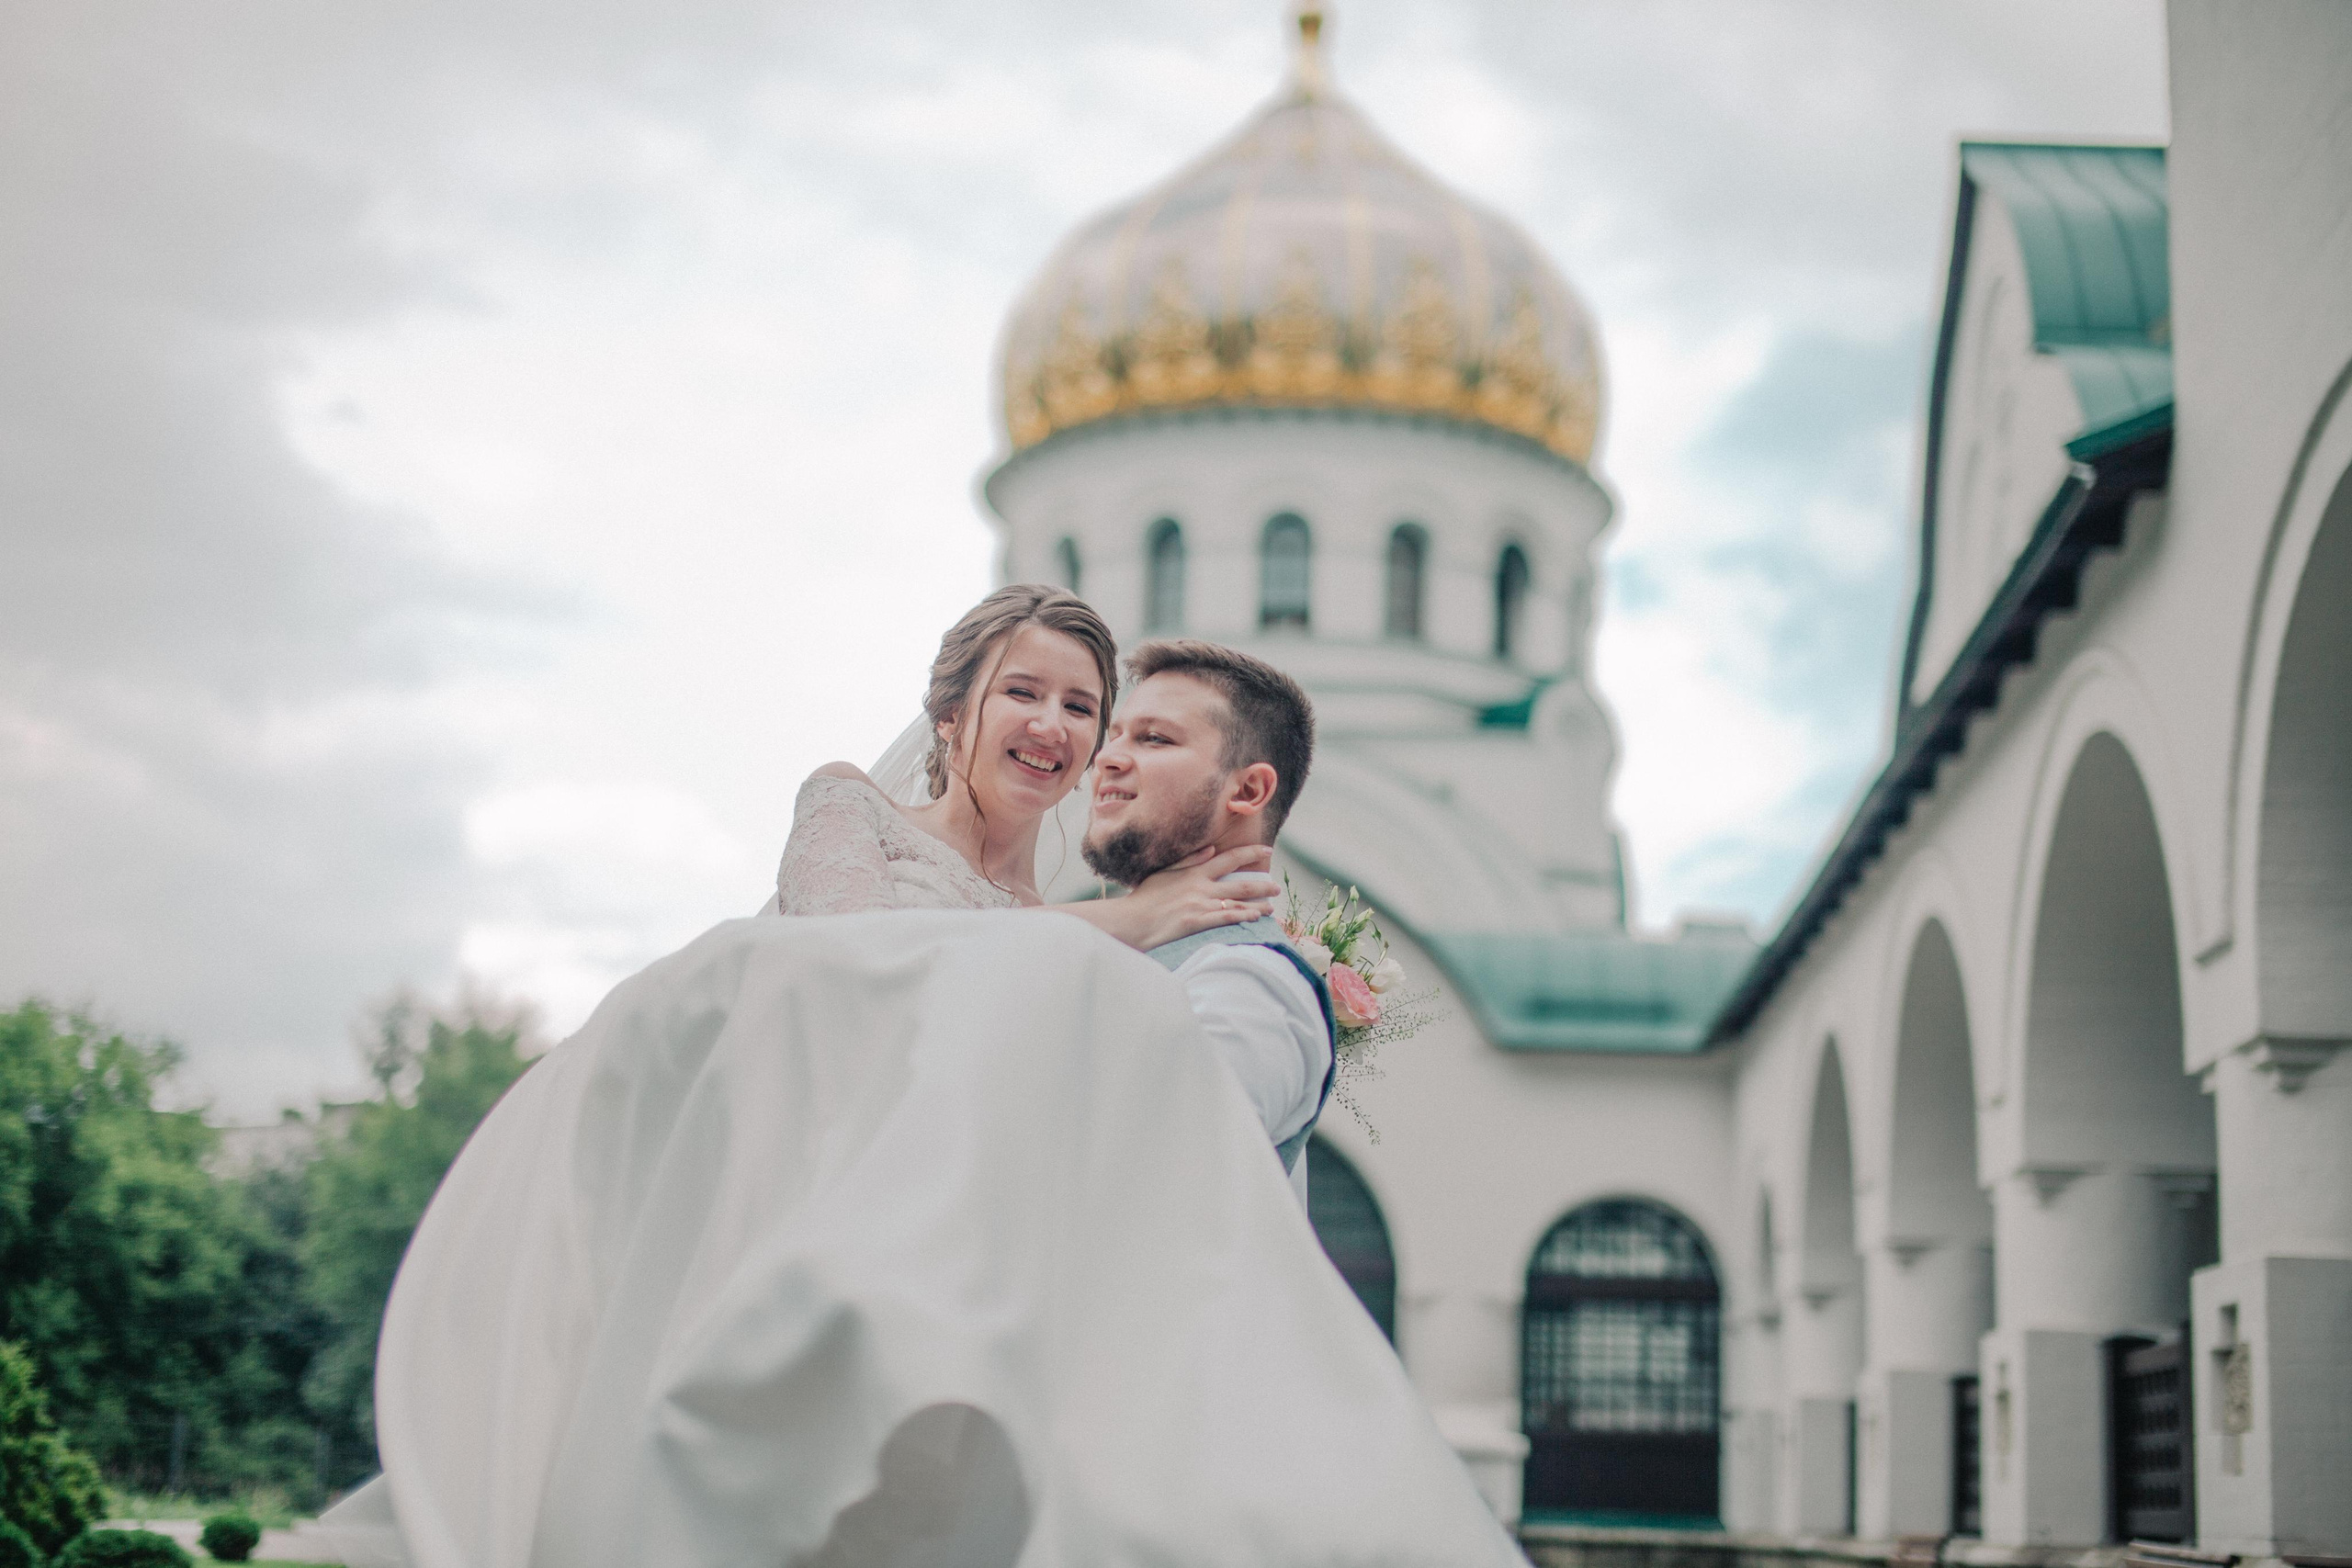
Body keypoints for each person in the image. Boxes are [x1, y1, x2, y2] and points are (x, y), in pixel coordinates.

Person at [322, 595, 1521, 1568]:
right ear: (951, 714)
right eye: (1025, 691)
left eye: (1092, 713)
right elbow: (853, 966)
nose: (1063, 730)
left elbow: (1121, 1119)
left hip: (937, 1300)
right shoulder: (870, 817)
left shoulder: (1156, 951)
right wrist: (1126, 921)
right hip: (766, 1230)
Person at [1081, 638, 1334, 1205]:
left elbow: (1158, 1172)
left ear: (1248, 790)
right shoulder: (1128, 942)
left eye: (1154, 738)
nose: (1108, 758)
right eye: (1114, 735)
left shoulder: (1248, 983)